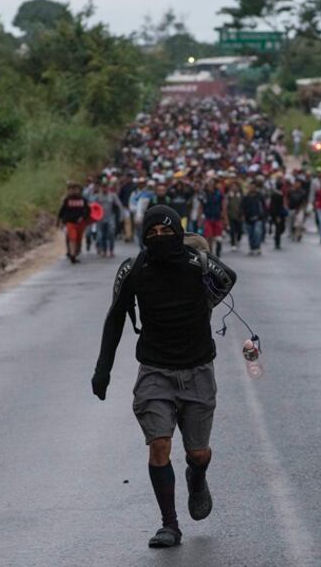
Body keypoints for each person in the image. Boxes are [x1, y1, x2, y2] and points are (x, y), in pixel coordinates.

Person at [91, 205, 237, 549]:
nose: (159, 238)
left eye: (166, 232)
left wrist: (207, 303)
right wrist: (103, 369)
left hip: (198, 367)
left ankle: (197, 476)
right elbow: (114, 319)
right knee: (159, 445)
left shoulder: (195, 262)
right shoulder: (134, 269)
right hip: (155, 370)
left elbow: (228, 277)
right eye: (152, 234)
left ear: (179, 232)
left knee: (198, 452)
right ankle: (169, 525)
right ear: (143, 237)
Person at [57, 181, 90, 263]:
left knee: (78, 239)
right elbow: (62, 210)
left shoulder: (83, 200)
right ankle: (72, 255)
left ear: (79, 190)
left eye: (75, 189)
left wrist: (83, 218)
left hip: (80, 223)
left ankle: (75, 252)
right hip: (70, 222)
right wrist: (59, 220)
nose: (74, 191)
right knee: (72, 238)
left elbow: (88, 210)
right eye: (72, 189)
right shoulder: (67, 200)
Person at [200, 178, 226, 257]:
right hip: (208, 218)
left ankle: (218, 247)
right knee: (208, 236)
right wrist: (200, 218)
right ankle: (210, 253)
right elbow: (201, 206)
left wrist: (224, 216)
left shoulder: (219, 194)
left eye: (212, 184)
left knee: (218, 238)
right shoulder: (204, 195)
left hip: (217, 217)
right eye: (209, 184)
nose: (210, 186)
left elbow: (223, 205)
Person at [94, 182, 121, 258]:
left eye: (105, 186)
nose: (104, 188)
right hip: (101, 219)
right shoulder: (98, 196)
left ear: (108, 187)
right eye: (103, 187)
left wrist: (120, 217)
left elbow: (119, 205)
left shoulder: (112, 195)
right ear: (101, 188)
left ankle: (111, 250)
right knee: (102, 235)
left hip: (110, 218)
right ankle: (104, 250)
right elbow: (93, 207)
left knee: (111, 234)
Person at [240, 182, 267, 256]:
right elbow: (242, 207)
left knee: (257, 233)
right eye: (250, 187)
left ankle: (258, 247)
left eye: (253, 187)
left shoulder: (259, 196)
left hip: (258, 218)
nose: (252, 188)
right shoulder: (246, 197)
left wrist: (264, 215)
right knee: (251, 234)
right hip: (248, 218)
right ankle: (252, 248)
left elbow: (264, 206)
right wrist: (243, 215)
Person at [287, 178, 308, 242]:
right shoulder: (290, 191)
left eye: (299, 183)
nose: (297, 184)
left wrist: (303, 209)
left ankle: (299, 234)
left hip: (300, 209)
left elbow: (304, 202)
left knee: (299, 223)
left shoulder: (303, 192)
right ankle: (293, 234)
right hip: (291, 208)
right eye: (296, 183)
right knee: (292, 223)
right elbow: (287, 199)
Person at [268, 178, 287, 250]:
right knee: (279, 228)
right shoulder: (277, 195)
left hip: (277, 213)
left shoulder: (277, 194)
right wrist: (277, 215)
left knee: (280, 228)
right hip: (277, 214)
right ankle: (277, 242)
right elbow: (276, 206)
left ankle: (276, 239)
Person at [225, 180, 244, 251]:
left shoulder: (241, 195)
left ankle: (238, 239)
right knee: (232, 230)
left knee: (240, 230)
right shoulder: (229, 196)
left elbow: (244, 205)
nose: (234, 188)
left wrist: (242, 214)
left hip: (239, 216)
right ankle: (233, 243)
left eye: (236, 187)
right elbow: (226, 206)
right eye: (233, 187)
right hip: (231, 215)